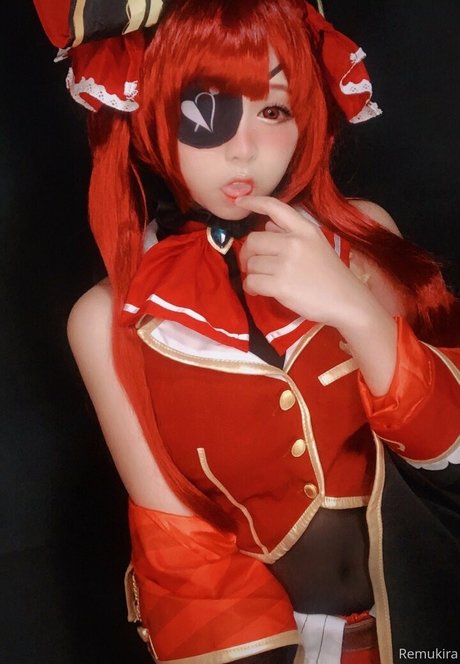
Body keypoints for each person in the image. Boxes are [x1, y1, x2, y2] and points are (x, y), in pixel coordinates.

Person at [33, 1, 460, 662]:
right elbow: (184, 554)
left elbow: (450, 461)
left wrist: (354, 309)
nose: (244, 148)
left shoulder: (364, 242)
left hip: (432, 624)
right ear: (151, 113)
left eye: (274, 110)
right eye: (206, 108)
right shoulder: (107, 321)